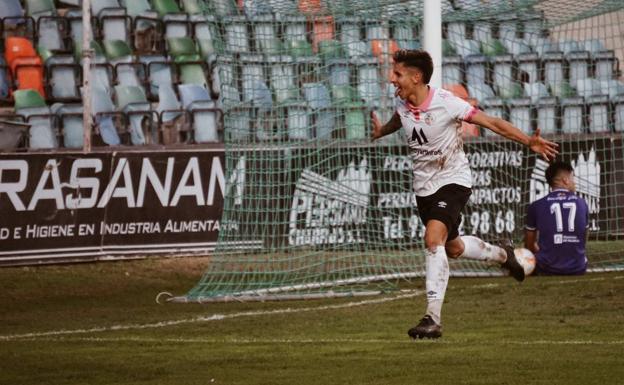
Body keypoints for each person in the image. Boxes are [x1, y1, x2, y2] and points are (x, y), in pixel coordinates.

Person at [370, 49, 559, 339]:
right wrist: (382, 130)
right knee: (453, 248)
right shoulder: (405, 105)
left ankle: (432, 318)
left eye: (397, 74)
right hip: (424, 189)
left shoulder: (446, 102)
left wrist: (527, 141)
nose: (391, 79)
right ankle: (502, 254)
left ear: (416, 77)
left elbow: (492, 122)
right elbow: (400, 120)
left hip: (453, 181)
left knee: (433, 239)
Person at [524, 161, 589, 275]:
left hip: (545, 269)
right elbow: (583, 239)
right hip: (577, 268)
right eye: (572, 178)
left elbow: (529, 244)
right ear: (565, 180)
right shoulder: (582, 203)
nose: (574, 183)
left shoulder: (536, 205)